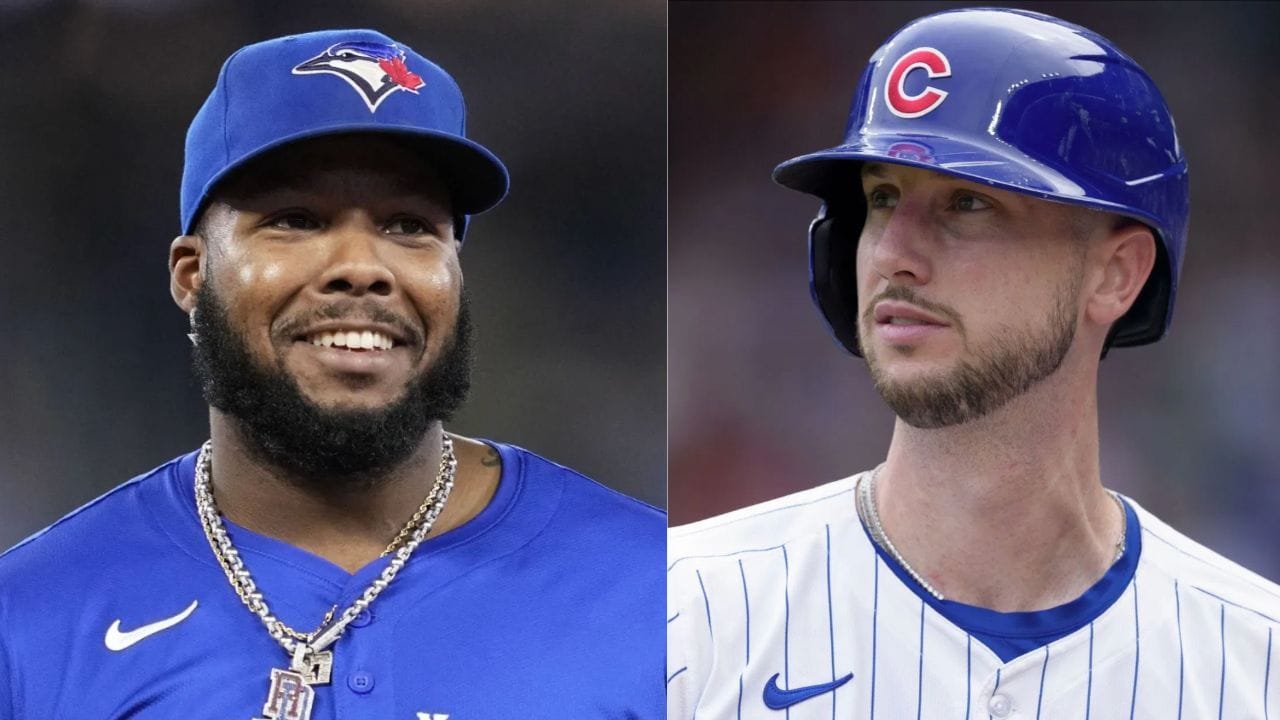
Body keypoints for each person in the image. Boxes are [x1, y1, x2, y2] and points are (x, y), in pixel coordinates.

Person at [0, 29, 662, 719]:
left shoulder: (654, 586)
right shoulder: (30, 620)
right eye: (296, 219)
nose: (363, 267)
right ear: (192, 274)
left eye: (409, 225)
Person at [668, 8, 1280, 719]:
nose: (894, 252)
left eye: (967, 203)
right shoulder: (688, 615)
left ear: (1116, 275)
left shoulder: (1256, 663)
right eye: (881, 198)